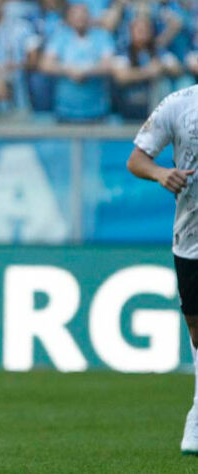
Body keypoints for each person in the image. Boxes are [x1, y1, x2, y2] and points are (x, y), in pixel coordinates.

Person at [127, 85, 198, 456]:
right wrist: (160, 173)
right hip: (191, 236)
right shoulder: (179, 104)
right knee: (196, 328)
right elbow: (137, 158)